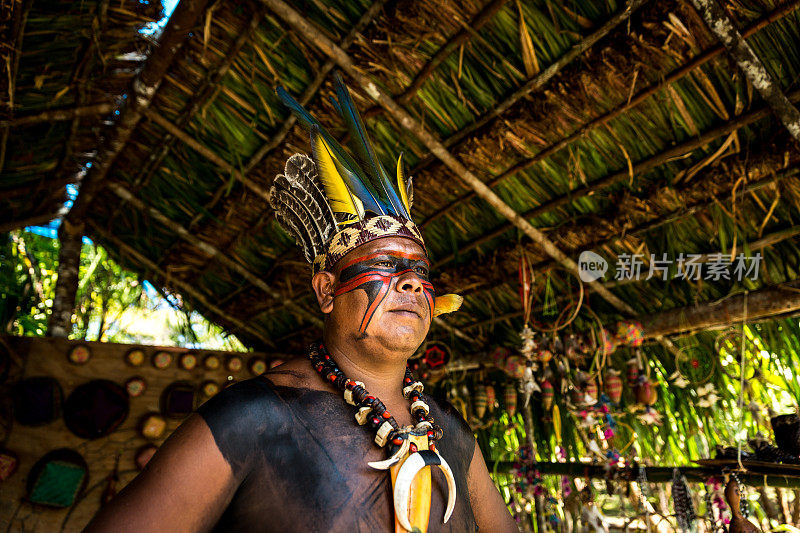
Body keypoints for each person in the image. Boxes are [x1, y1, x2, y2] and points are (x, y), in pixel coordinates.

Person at [85, 74, 518, 533]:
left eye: (422, 272)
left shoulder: (449, 430)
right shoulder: (254, 417)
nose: (411, 282)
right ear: (327, 290)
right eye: (386, 266)